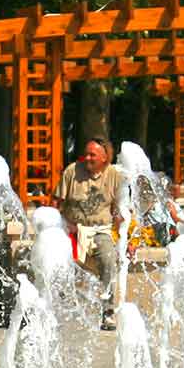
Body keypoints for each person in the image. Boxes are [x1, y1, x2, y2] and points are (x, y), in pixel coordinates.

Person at [53, 136, 124, 328]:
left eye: (92, 154)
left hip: (100, 230)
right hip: (73, 229)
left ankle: (108, 312)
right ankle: (60, 308)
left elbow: (119, 209)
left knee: (109, 259)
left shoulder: (114, 176)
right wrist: (60, 225)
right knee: (62, 261)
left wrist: (126, 236)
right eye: (86, 154)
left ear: (104, 158)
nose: (88, 158)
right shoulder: (72, 171)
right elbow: (56, 202)